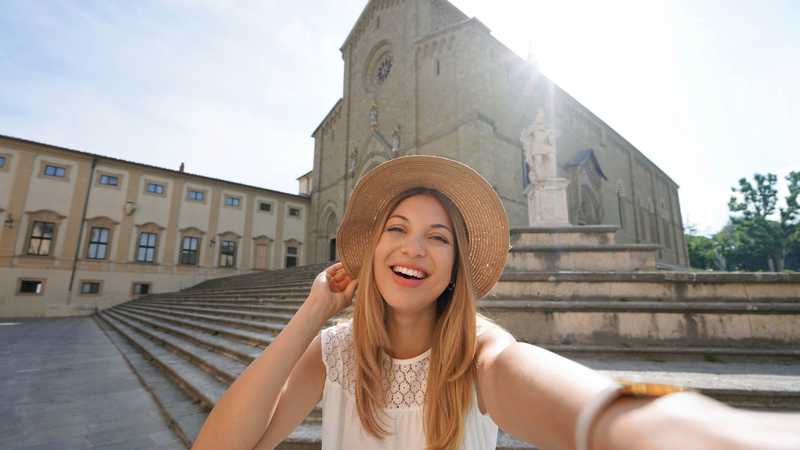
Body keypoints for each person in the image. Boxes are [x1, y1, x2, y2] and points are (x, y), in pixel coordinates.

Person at [192, 156, 799, 450]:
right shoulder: (333, 351)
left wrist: (649, 427)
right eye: (397, 229)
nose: (414, 249)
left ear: (457, 265)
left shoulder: (479, 351)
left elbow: (547, 389)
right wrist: (314, 309)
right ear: (371, 247)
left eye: (439, 237)